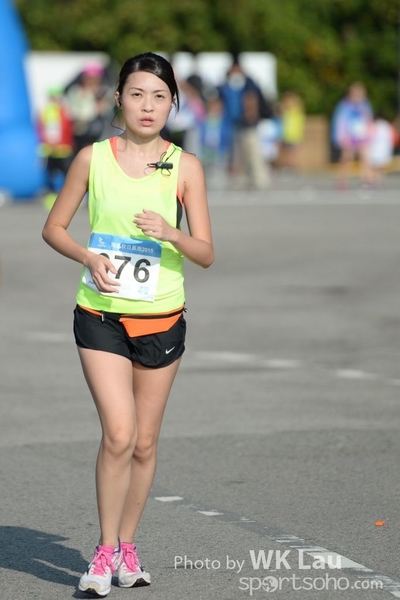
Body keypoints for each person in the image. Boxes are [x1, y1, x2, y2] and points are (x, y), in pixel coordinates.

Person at [42, 52, 214, 597]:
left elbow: (206, 253)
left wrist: (172, 232)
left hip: (162, 317)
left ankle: (128, 546)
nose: (147, 105)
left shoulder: (186, 167)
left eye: (159, 96)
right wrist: (87, 257)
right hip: (101, 314)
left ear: (173, 104)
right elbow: (53, 227)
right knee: (118, 434)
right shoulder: (91, 159)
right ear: (118, 98)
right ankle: (102, 551)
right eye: (137, 94)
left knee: (143, 442)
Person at [331, 82, 373, 189]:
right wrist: (341, 137)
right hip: (349, 136)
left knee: (365, 158)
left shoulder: (365, 105)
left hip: (362, 136)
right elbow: (340, 122)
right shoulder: (345, 105)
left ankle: (366, 179)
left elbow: (368, 120)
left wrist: (369, 135)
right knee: (346, 159)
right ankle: (342, 180)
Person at [65, 61, 114, 155]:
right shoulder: (76, 91)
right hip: (81, 133)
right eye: (90, 78)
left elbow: (107, 110)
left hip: (100, 133)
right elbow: (72, 112)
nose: (93, 81)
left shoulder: (104, 92)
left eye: (96, 78)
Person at [37, 85, 74, 207]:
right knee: (50, 175)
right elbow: (43, 129)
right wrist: (47, 143)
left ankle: (69, 199)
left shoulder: (64, 110)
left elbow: (68, 128)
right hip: (50, 150)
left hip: (64, 149)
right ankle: (52, 198)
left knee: (68, 175)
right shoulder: (47, 111)